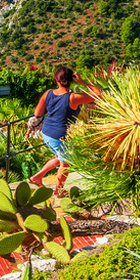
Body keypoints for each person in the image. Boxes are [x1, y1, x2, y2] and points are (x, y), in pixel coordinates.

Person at [29, 66, 88, 194]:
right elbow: (99, 94)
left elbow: (37, 113)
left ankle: (37, 177)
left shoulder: (48, 93)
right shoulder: (74, 97)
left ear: (56, 79)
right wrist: (82, 82)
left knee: (59, 156)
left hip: (46, 132)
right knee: (65, 163)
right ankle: (59, 191)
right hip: (59, 136)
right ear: (71, 80)